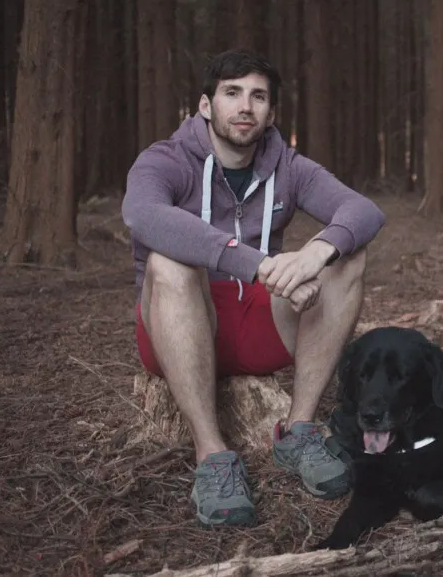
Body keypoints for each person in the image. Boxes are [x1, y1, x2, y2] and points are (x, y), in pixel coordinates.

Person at [120, 48, 386, 527]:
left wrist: (313, 255)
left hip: (260, 324)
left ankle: (299, 431)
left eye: (258, 96)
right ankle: (213, 456)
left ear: (271, 113)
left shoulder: (287, 166)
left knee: (348, 256)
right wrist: (260, 266)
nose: (245, 106)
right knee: (169, 262)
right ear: (206, 106)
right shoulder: (166, 160)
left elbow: (363, 211)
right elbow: (144, 215)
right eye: (232, 93)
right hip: (177, 325)